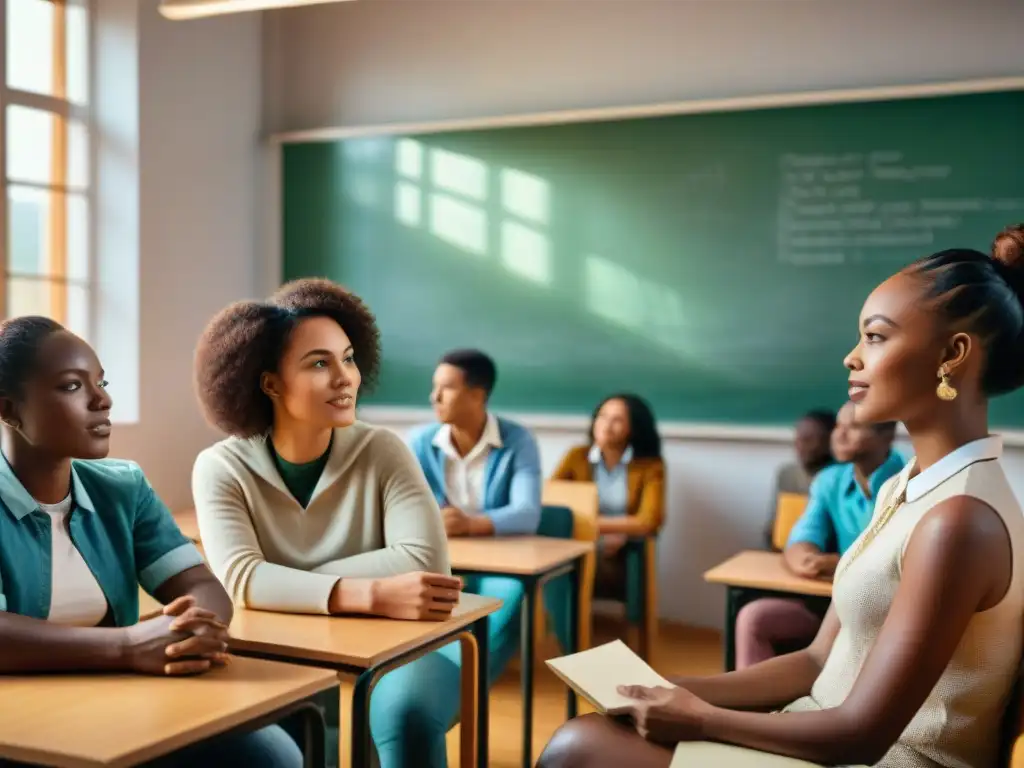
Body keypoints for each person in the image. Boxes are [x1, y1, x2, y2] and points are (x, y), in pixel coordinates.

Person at [537, 224, 1024, 768]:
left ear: (953, 354)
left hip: (880, 758)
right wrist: (665, 688)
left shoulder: (958, 520)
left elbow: (863, 735)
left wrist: (698, 717)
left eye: (876, 336)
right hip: (820, 726)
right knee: (594, 732)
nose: (851, 357)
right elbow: (817, 661)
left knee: (579, 748)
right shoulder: (906, 484)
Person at [0, 316, 300, 767]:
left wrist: (189, 630)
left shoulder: (123, 487)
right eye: (71, 387)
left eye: (101, 382)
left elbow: (201, 584)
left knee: (271, 753)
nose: (103, 400)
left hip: (120, 701)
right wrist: (128, 645)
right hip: (19, 722)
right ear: (8, 409)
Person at [191, 279, 463, 768]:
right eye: (320, 363)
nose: (346, 378)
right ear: (270, 383)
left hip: (397, 652)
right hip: (276, 657)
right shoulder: (221, 468)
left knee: (409, 714)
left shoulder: (383, 449)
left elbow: (425, 561)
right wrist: (372, 593)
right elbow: (240, 581)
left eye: (349, 358)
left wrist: (284, 583)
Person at [407, 348, 542, 688]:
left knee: (504, 602)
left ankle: (467, 684)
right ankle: (420, 677)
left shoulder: (518, 440)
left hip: (503, 561)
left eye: (446, 388)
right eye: (434, 386)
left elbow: (527, 514)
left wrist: (470, 525)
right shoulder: (420, 442)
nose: (433, 397)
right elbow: (405, 506)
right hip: (441, 557)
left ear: (477, 395)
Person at [735, 401, 903, 668]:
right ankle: (753, 705)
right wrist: (806, 558)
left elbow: (897, 563)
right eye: (838, 426)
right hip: (830, 603)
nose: (840, 435)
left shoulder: (912, 480)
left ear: (888, 435)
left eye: (855, 426)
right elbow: (801, 538)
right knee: (753, 616)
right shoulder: (829, 480)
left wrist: (838, 563)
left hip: (888, 611)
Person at [550, 393, 664, 599]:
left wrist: (614, 532)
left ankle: (571, 626)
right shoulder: (577, 456)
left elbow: (649, 521)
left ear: (634, 427)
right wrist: (598, 532)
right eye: (602, 416)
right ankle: (563, 625)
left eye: (617, 419)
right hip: (580, 541)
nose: (606, 425)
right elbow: (550, 501)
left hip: (623, 551)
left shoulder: (650, 466)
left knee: (569, 562)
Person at [763, 409, 836, 550]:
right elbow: (774, 528)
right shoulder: (787, 475)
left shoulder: (843, 478)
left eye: (808, 439)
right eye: (798, 438)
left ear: (830, 440)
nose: (800, 445)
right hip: (787, 554)